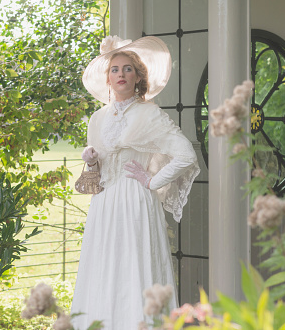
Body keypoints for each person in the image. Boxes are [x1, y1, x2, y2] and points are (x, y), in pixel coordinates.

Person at [71, 35, 200, 330]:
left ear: (139, 76)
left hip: (135, 202)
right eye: (115, 69)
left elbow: (185, 154)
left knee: (134, 265)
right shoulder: (97, 118)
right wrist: (91, 160)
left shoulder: (149, 114)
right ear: (107, 77)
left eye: (128, 69)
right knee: (104, 269)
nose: (121, 74)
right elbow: (98, 169)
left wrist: (153, 180)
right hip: (104, 204)